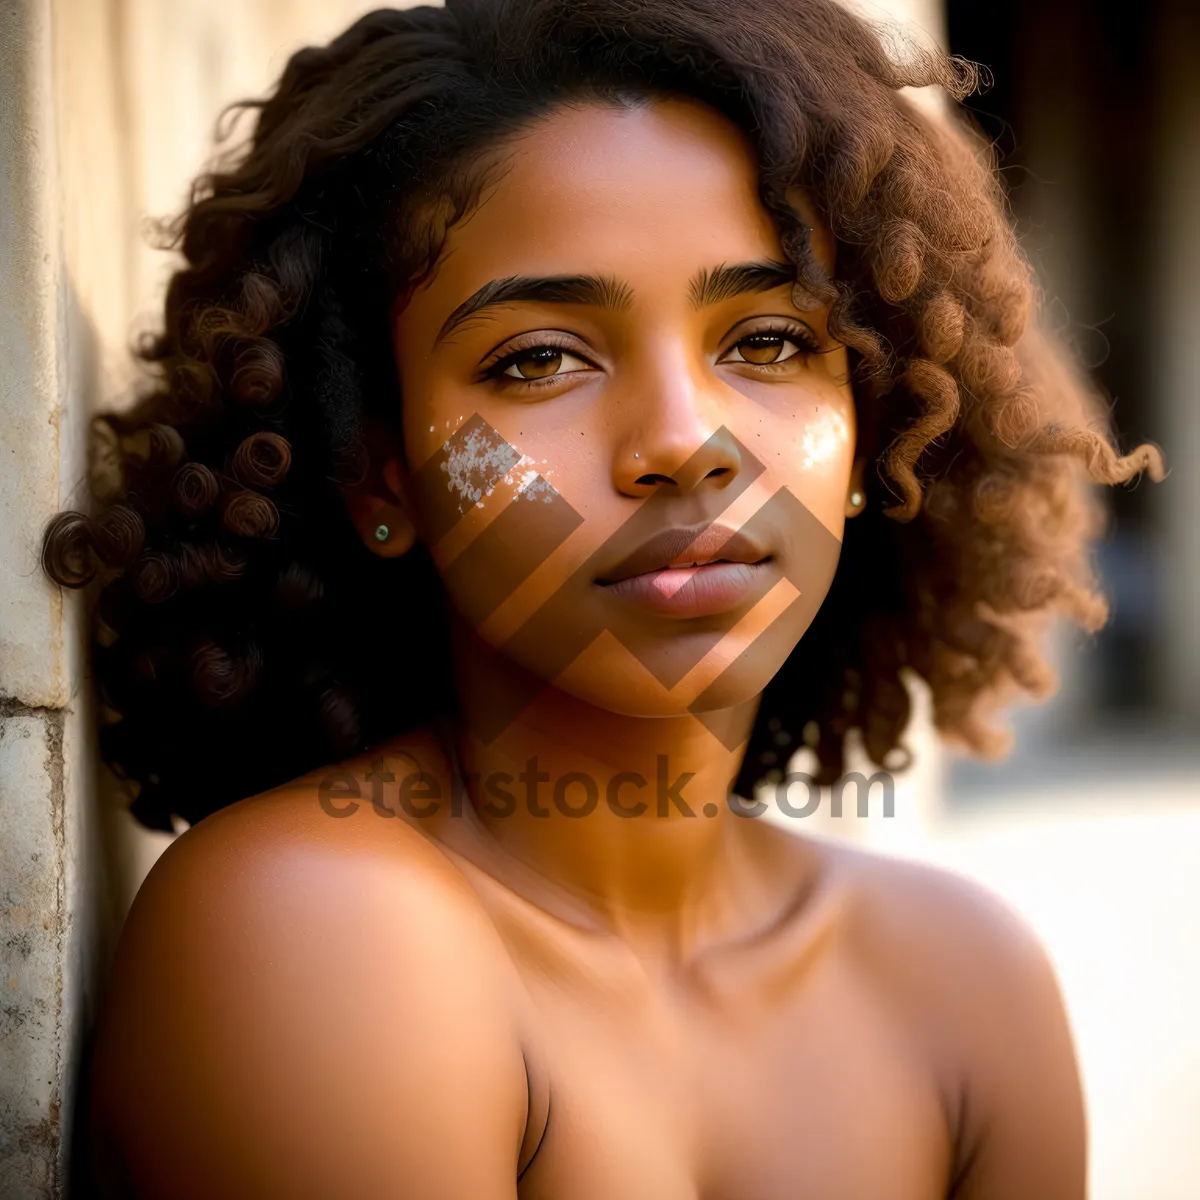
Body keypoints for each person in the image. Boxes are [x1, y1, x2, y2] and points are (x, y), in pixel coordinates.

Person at [42, 0, 1163, 1195]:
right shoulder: (304, 931)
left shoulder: (966, 982)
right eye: (540, 359)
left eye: (773, 342)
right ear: (382, 472)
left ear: (872, 435)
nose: (685, 442)